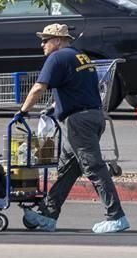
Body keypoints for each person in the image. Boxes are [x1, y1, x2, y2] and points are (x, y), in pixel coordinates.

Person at [17, 23, 129, 234]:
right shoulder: (81, 57)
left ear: (57, 41)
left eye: (46, 40)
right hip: (93, 116)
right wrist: (55, 108)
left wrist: (22, 111)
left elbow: (39, 87)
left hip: (79, 123)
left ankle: (116, 216)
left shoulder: (57, 58)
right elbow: (78, 88)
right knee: (67, 169)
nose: (42, 44)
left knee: (94, 168)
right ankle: (47, 214)